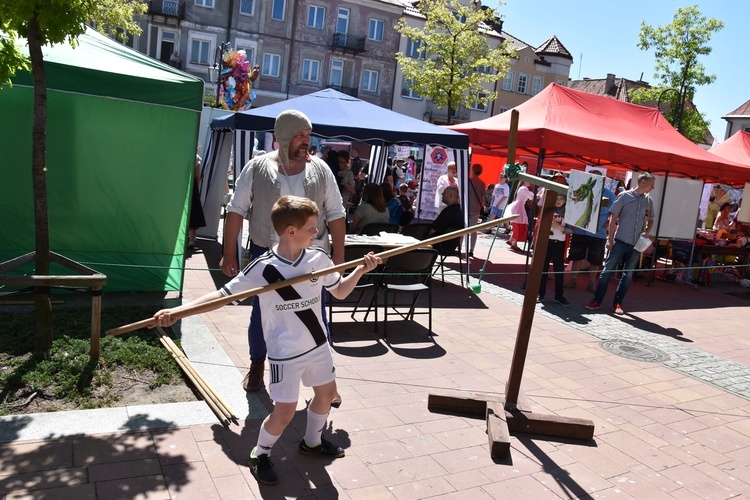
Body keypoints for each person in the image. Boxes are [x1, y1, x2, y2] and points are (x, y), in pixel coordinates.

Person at [152, 196, 381, 486]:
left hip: (318, 346)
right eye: (311, 227)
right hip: (285, 354)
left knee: (325, 394)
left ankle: (312, 442)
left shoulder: (318, 258)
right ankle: (260, 454)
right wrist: (178, 311)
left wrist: (360, 270)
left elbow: (339, 292)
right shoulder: (262, 268)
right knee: (284, 412)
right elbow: (221, 297)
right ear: (290, 231)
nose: (316, 232)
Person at [222, 110, 346, 394]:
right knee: (260, 313)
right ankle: (257, 365)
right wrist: (229, 252)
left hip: (313, 256)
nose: (307, 140)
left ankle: (325, 381)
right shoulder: (257, 167)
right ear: (284, 136)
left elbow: (336, 214)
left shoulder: (321, 169)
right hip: (268, 254)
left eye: (308, 134)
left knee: (317, 316)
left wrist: (338, 258)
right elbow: (236, 211)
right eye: (300, 135)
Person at [586, 172, 655, 315]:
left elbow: (651, 220)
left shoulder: (649, 201)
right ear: (642, 182)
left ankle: (618, 302)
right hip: (620, 241)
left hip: (637, 244)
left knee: (628, 274)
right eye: (651, 184)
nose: (652, 187)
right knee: (606, 272)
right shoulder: (624, 196)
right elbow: (613, 218)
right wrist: (609, 239)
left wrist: (647, 232)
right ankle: (597, 300)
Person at [565, 171, 615, 293]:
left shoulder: (609, 194)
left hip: (598, 232)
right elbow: (572, 205)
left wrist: (610, 222)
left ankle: (592, 282)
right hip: (580, 230)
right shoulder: (581, 190)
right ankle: (573, 279)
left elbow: (616, 211)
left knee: (595, 259)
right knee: (576, 256)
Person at [538, 191, 571, 306]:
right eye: (556, 198)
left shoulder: (568, 213)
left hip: (559, 244)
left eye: (561, 198)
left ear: (565, 200)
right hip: (547, 242)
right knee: (543, 269)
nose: (558, 200)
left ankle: (559, 295)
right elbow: (539, 225)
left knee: (559, 271)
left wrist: (558, 226)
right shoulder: (548, 210)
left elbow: (570, 230)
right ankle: (540, 293)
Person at [429, 186, 463, 252]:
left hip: (439, 244)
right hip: (452, 245)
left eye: (444, 193)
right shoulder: (461, 211)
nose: (442, 194)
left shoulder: (447, 212)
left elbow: (432, 230)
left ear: (450, 196)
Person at [504, 181, 534, 252]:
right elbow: (531, 197)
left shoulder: (523, 188)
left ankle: (512, 240)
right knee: (519, 224)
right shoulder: (524, 188)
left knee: (518, 223)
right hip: (519, 206)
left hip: (519, 206)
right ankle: (514, 243)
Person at [466, 163, 487, 258]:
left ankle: (459, 248)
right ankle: (471, 250)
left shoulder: (467, 181)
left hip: (466, 208)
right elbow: (483, 199)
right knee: (473, 231)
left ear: (472, 170)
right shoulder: (482, 183)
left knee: (463, 230)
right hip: (476, 209)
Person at [188, 150, 207, 249]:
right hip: (192, 187)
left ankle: (189, 238)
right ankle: (191, 238)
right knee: (193, 213)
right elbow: (197, 176)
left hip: (181, 187)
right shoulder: (196, 157)